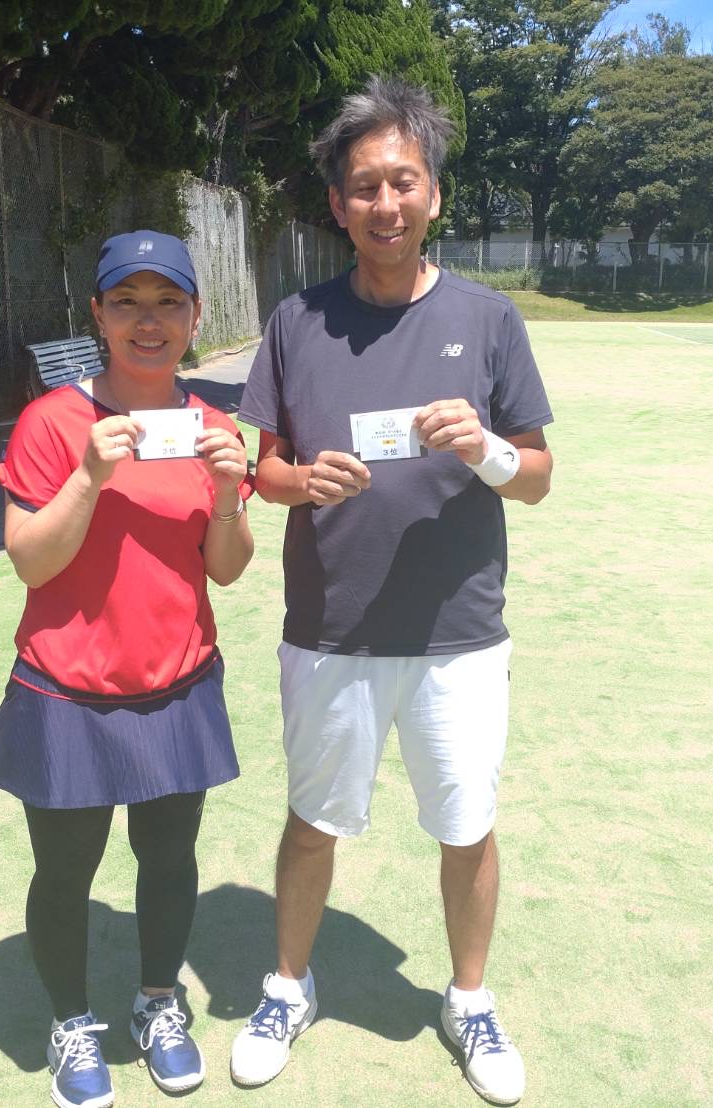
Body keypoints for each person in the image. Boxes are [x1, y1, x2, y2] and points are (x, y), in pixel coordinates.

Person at [229, 77, 553, 1106]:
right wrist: (301, 482)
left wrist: (485, 448)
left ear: (433, 194)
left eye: (402, 181)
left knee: (465, 826)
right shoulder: (295, 321)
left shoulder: (488, 318)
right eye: (364, 186)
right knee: (311, 820)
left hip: (460, 634)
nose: (385, 203)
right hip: (330, 630)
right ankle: (288, 985)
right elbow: (262, 469)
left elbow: (537, 477)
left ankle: (468, 998)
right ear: (337, 204)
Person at [0, 230, 254, 1107]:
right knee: (66, 870)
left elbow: (227, 568)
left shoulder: (214, 428)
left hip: (177, 680)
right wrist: (89, 476)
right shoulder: (53, 422)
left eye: (167, 302)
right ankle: (70, 1020)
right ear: (97, 314)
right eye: (127, 303)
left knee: (168, 858)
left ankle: (157, 1002)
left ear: (194, 316)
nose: (148, 321)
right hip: (67, 687)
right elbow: (31, 562)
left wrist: (227, 492)